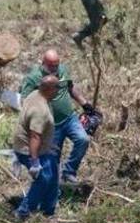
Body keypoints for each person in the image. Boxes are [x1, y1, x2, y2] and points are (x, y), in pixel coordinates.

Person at [19, 49, 93, 185]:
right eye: (51, 66)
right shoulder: (33, 78)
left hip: (69, 118)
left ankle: (69, 172)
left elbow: (70, 87)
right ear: (43, 63)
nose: (54, 68)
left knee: (83, 140)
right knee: (53, 158)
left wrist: (84, 103)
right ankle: (53, 187)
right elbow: (24, 100)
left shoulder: (63, 70)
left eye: (56, 65)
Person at [13, 74, 61, 222]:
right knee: (43, 178)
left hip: (41, 148)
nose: (59, 91)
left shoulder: (36, 94)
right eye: (57, 88)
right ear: (49, 89)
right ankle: (23, 212)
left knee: (53, 174)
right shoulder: (40, 110)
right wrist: (34, 162)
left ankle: (48, 210)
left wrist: (49, 144)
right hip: (29, 150)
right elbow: (35, 136)